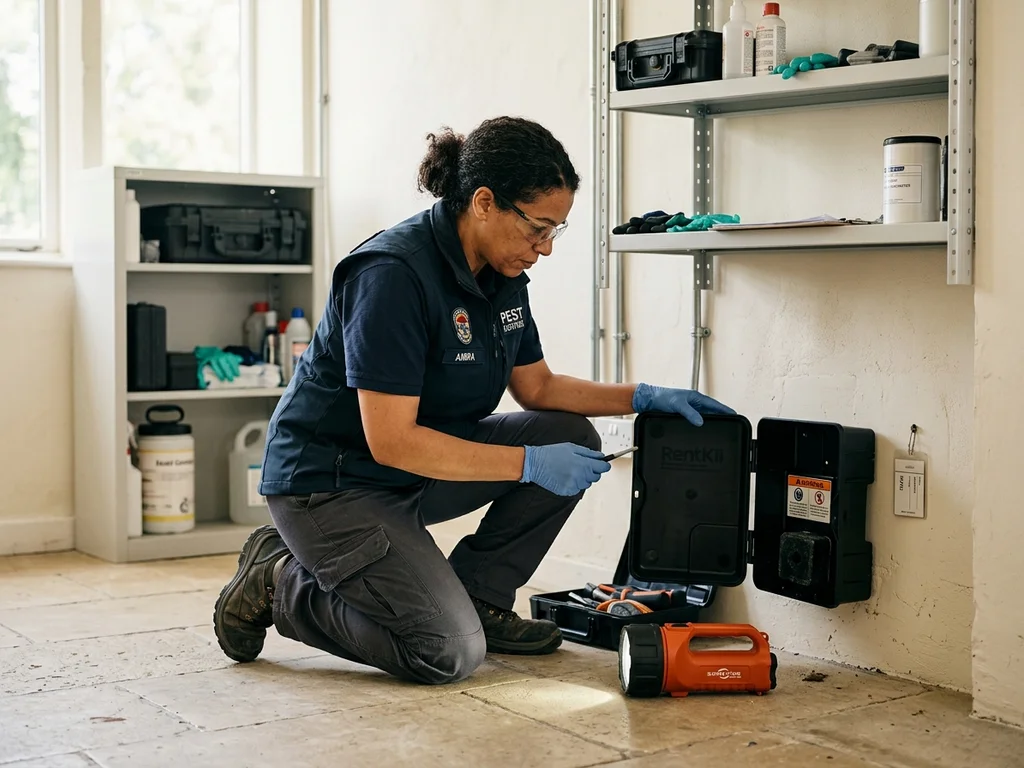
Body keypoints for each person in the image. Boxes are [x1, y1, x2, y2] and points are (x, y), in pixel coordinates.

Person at [212, 116, 734, 685]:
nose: (545, 249)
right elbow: (391, 440)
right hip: (333, 486)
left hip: (417, 470)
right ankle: (278, 582)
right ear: (484, 202)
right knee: (447, 652)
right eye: (538, 228)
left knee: (569, 434)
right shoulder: (391, 275)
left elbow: (538, 389)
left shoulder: (501, 271)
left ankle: (480, 595)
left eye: (555, 231)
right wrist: (528, 464)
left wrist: (643, 397)